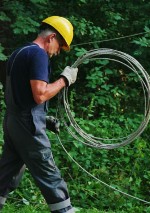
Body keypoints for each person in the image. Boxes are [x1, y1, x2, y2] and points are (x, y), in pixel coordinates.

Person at [0, 16, 78, 213]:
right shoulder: (38, 55)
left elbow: (20, 97)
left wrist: (42, 118)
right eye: (60, 45)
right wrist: (64, 80)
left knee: (6, 174)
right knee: (49, 174)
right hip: (28, 127)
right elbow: (40, 94)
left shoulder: (19, 52)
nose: (57, 51)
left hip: (13, 123)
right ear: (51, 37)